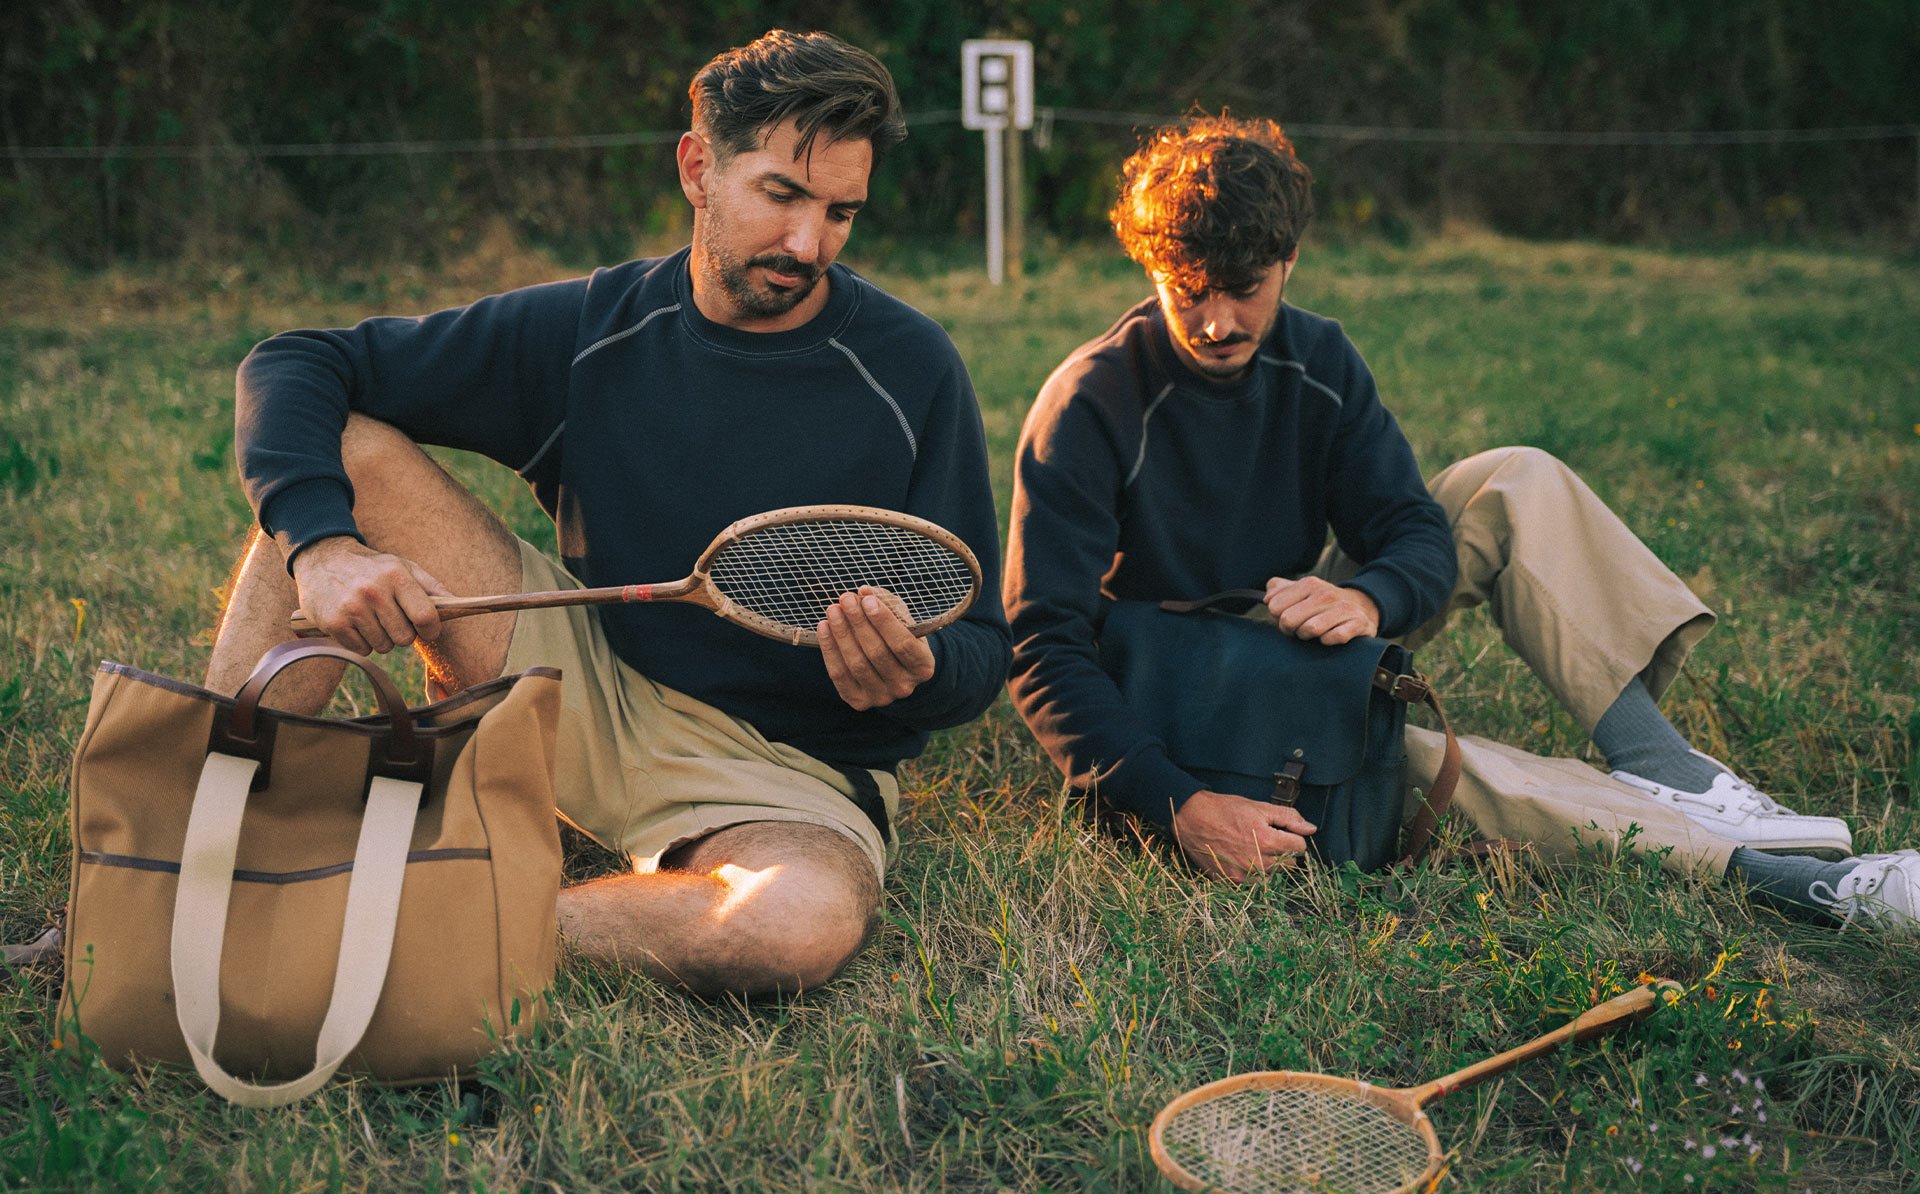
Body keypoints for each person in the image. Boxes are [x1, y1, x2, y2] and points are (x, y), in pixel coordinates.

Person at [206, 29, 1011, 995]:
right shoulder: (594, 329)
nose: (809, 244)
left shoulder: (911, 368)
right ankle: (193, 848)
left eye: (842, 212)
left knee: (791, 929)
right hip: (583, 679)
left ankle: (365, 917)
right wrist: (323, 546)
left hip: (786, 774)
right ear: (697, 167)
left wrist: (915, 673)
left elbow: (980, 649)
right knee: (345, 453)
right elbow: (298, 361)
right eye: (782, 196)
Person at [1004, 114, 1917, 932]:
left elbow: (1412, 528)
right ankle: (1800, 884)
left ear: (1289, 260)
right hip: (1176, 685)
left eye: (1242, 286)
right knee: (1431, 764)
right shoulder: (1090, 402)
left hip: (1292, 620)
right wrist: (1176, 803)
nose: (1213, 319)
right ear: (1151, 268)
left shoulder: (1317, 358)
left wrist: (1366, 598)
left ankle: (1663, 764)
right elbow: (1042, 648)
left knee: (1512, 481)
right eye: (1185, 288)